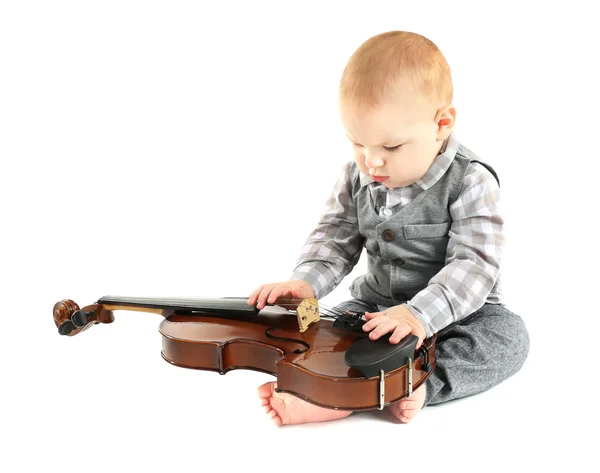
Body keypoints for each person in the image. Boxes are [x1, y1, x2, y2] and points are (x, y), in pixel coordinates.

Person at [247, 30, 529, 426]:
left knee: (510, 339)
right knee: (326, 332)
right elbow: (335, 236)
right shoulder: (356, 175)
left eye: (390, 147)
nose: (371, 162)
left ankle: (419, 383)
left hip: (461, 315)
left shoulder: (471, 180)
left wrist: (418, 316)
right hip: (375, 311)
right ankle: (328, 392)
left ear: (441, 124)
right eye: (358, 144)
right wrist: (306, 282)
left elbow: (475, 265)